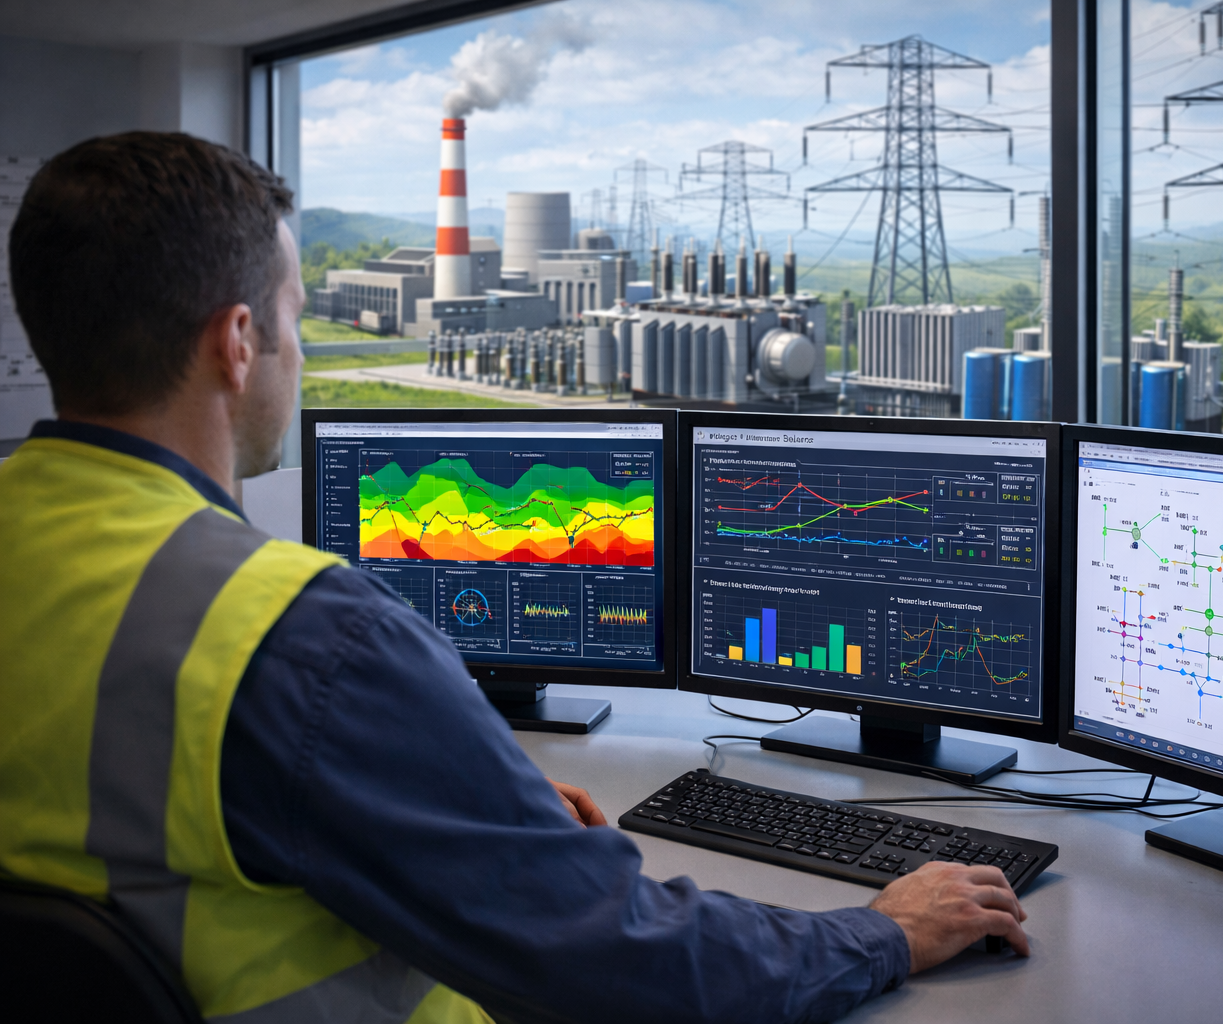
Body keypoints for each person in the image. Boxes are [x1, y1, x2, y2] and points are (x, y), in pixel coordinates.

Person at [0, 132, 1030, 1023]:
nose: (298, 350)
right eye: (295, 314)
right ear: (237, 342)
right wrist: (881, 931)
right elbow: (633, 958)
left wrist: (434, 786)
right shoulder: (298, 636)